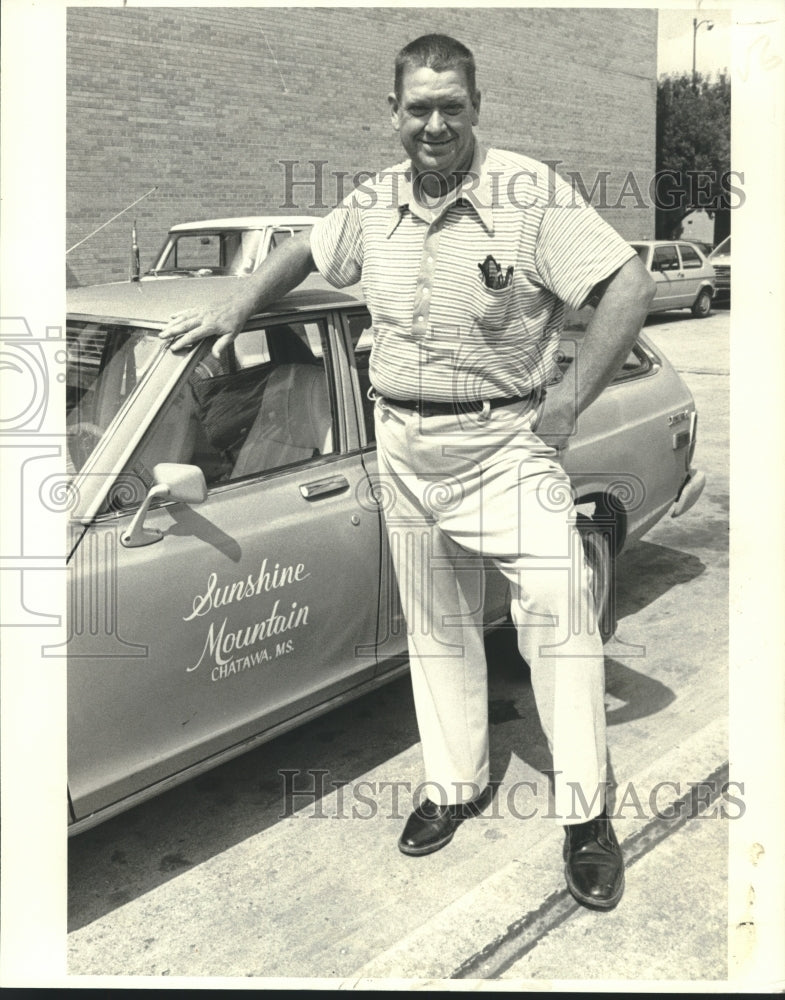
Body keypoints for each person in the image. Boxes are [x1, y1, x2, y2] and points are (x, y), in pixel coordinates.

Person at [160, 33, 655, 911]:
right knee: (436, 623)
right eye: (417, 107)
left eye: (450, 106)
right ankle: (452, 783)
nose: (434, 123)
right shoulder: (372, 200)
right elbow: (308, 251)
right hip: (403, 442)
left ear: (476, 106)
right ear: (393, 114)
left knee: (559, 614)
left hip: (505, 446)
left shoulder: (528, 193)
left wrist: (569, 402)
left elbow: (627, 283)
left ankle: (585, 815)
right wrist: (235, 303)